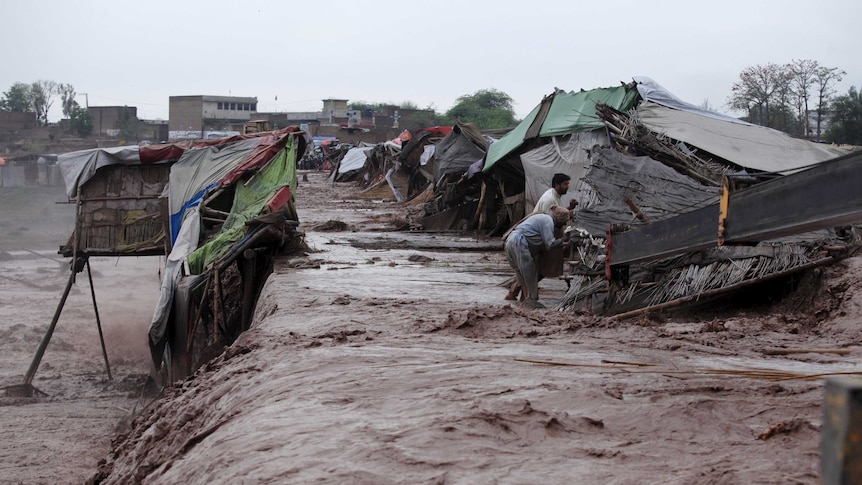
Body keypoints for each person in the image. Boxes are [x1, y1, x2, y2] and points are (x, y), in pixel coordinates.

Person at [504, 206, 571, 309]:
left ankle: (522, 304)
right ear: (559, 219)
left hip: (510, 242)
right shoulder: (548, 221)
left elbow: (542, 244)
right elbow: (550, 244)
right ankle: (531, 303)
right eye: (564, 222)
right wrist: (565, 240)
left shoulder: (543, 218)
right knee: (530, 276)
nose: (564, 224)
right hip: (519, 243)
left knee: (522, 277)